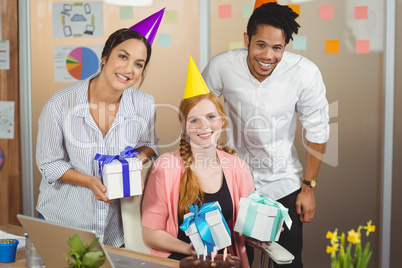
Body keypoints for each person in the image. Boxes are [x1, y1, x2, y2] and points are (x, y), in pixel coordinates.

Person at [202, 2, 330, 267]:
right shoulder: (222, 65)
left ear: (285, 46)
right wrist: (216, 145)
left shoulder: (305, 73)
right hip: (234, 181)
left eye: (277, 48)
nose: (268, 55)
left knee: (287, 261)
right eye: (260, 45)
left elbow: (317, 130)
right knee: (229, 259)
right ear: (247, 39)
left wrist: (308, 188)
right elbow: (199, 112)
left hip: (284, 183)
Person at [35, 9, 165, 248]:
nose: (129, 70)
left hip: (114, 229)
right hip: (63, 220)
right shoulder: (60, 104)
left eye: (139, 64)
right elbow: (48, 163)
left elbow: (149, 145)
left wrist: (135, 163)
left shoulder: (144, 104)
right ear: (105, 56)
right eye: (122, 57)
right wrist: (88, 181)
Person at [141, 58, 256, 268]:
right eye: (194, 120)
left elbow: (246, 229)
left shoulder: (238, 168)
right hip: (181, 262)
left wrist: (259, 234)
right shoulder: (165, 168)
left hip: (227, 262)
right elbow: (151, 233)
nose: (204, 126)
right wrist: (189, 248)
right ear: (184, 127)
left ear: (222, 121)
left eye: (211, 116)